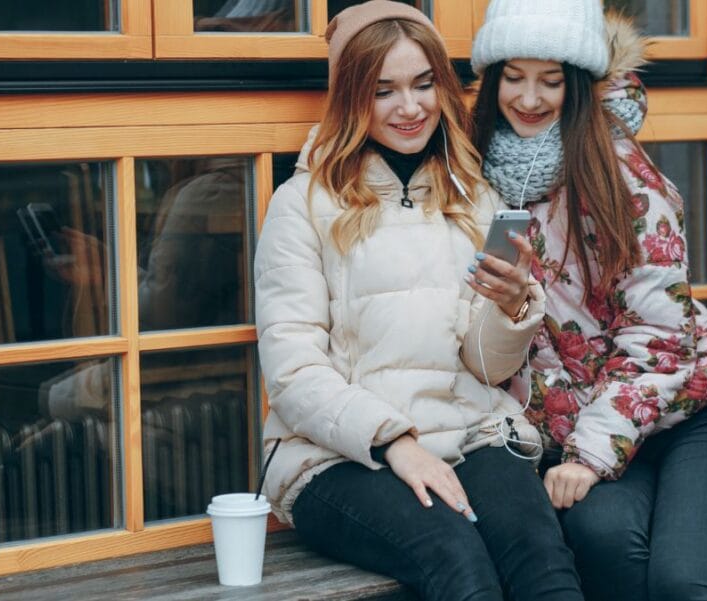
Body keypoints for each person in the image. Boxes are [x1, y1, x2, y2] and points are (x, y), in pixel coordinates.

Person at [256, 2, 583, 600]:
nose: (410, 107)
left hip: (469, 433)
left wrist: (511, 311)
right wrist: (395, 443)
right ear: (353, 97)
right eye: (384, 90)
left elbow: (486, 368)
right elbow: (292, 373)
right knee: (458, 560)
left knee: (543, 561)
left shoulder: (477, 197)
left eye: (423, 84)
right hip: (340, 454)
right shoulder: (300, 203)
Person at [470, 1, 707, 600]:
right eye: (513, 77)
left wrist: (588, 456)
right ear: (492, 78)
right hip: (583, 436)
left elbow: (660, 337)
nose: (529, 98)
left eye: (550, 81)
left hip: (685, 417)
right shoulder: (477, 178)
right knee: (602, 537)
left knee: (679, 580)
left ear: (578, 86)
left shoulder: (622, 175)